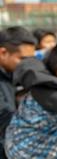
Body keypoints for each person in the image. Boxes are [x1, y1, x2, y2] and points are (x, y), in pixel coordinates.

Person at [0, 27, 36, 158]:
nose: (29, 65)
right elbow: (5, 118)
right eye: (23, 59)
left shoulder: (13, 73)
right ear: (3, 53)